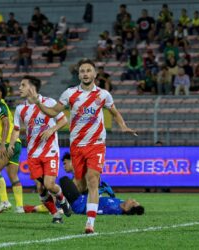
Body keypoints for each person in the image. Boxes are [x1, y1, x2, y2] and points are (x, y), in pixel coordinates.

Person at [27, 58, 136, 233]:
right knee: (81, 185)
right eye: (82, 71)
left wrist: (123, 126)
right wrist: (38, 102)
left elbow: (114, 112)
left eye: (88, 71)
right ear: (79, 75)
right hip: (77, 146)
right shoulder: (69, 93)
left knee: (93, 180)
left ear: (95, 74)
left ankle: (90, 223)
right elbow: (54, 112)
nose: (85, 74)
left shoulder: (103, 94)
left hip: (96, 144)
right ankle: (63, 202)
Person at [8, 75, 72, 223]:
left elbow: (63, 120)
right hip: (33, 153)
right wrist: (11, 143)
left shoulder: (49, 102)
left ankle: (62, 199)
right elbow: (17, 129)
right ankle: (56, 215)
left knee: (49, 185)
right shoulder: (20, 109)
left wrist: (52, 130)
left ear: (32, 87)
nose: (19, 88)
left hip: (50, 151)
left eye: (23, 85)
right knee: (41, 189)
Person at [0, 83, 24, 213]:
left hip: (8, 143)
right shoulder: (3, 105)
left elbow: (6, 123)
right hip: (17, 143)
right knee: (13, 176)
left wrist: (3, 143)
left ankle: (4, 202)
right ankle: (19, 207)